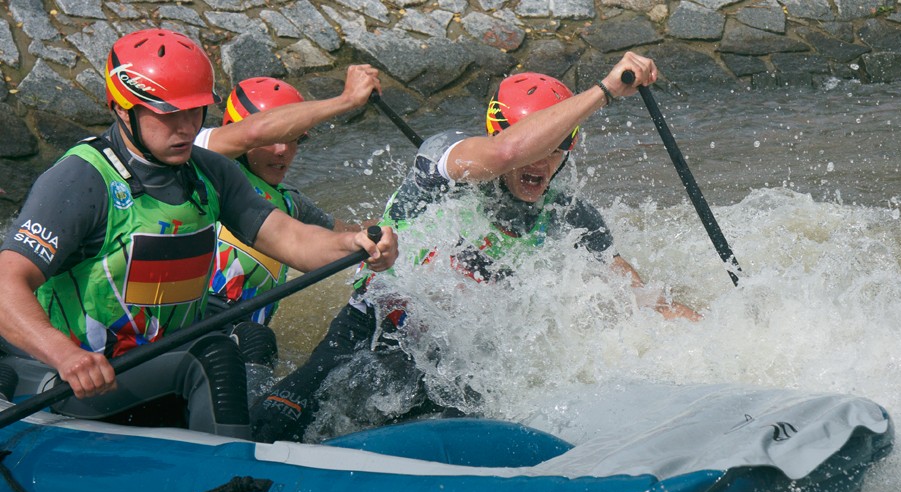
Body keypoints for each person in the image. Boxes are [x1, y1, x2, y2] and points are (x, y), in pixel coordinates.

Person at [248, 51, 698, 444]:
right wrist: (603, 89)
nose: (539, 161)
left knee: (466, 421)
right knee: (278, 419)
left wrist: (725, 332)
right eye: (532, 144)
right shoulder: (446, 158)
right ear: (499, 134)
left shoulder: (570, 214)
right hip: (375, 326)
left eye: (556, 147)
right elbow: (501, 154)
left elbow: (636, 298)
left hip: (458, 361)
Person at [0, 28, 396, 440]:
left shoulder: (209, 172)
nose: (187, 127)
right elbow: (6, 281)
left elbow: (291, 239)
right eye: (169, 114)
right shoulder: (81, 179)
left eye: (195, 112)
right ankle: (229, 477)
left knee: (238, 347)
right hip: (68, 384)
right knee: (212, 352)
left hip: (151, 376)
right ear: (121, 107)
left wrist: (352, 244)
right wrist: (64, 355)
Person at [194, 72, 381, 385]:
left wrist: (404, 216)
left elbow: (349, 232)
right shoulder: (205, 170)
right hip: (198, 324)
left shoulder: (292, 204)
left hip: (244, 339)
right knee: (257, 339)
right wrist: (346, 100)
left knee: (258, 339)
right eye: (270, 140)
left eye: (292, 139)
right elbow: (249, 132)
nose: (282, 150)